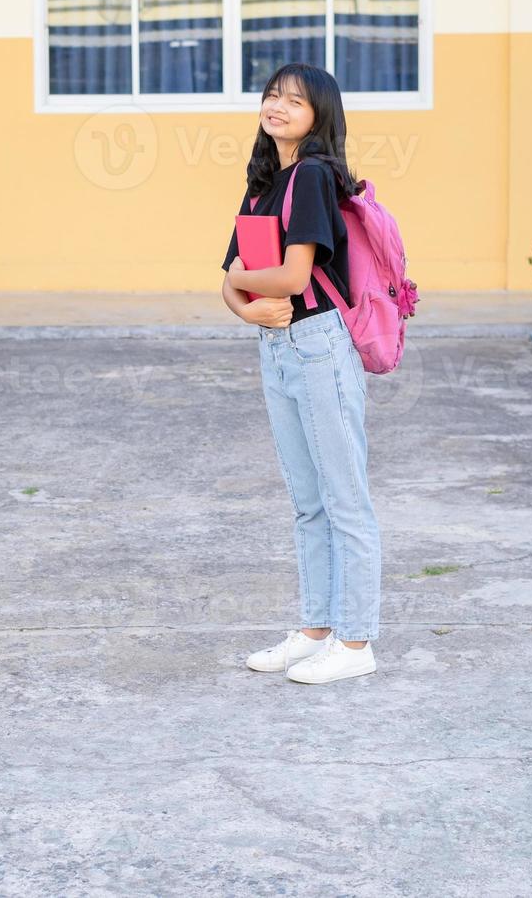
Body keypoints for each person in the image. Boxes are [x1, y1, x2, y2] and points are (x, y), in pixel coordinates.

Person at [220, 62, 383, 685]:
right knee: (307, 502)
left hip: (318, 345)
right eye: (271, 95)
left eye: (295, 100)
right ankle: (315, 631)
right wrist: (243, 302)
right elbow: (229, 281)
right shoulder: (264, 181)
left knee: (345, 499)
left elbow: (290, 277)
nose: (278, 106)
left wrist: (241, 286)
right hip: (276, 345)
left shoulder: (312, 176)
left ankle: (356, 640)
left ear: (320, 116)